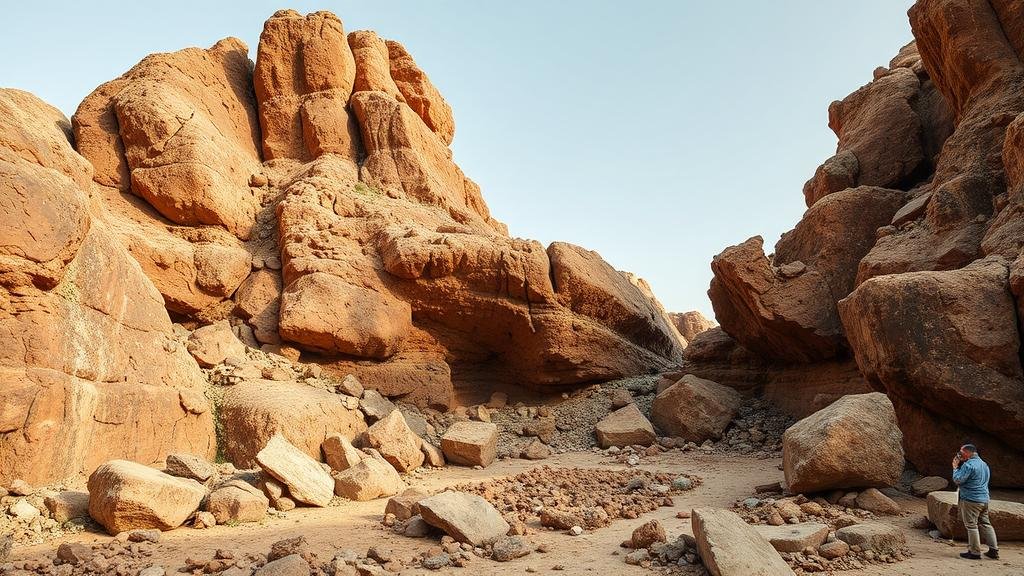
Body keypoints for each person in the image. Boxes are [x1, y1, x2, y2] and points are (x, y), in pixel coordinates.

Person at [952, 444, 999, 560]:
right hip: (984, 499)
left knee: (971, 526)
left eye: (961, 453)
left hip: (971, 500)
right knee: (986, 524)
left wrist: (955, 467)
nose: (959, 455)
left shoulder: (969, 465)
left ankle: (974, 552)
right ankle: (994, 550)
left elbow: (958, 480)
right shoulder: (984, 464)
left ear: (968, 453)